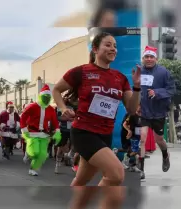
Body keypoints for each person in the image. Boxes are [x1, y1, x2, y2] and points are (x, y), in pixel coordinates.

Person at [52, 32, 140, 209]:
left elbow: (131, 109)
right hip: (84, 132)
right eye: (108, 45)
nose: (113, 49)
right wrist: (63, 108)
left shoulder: (120, 78)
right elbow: (56, 90)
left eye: (115, 46)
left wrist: (137, 86)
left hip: (104, 135)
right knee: (116, 175)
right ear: (95, 48)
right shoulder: (81, 72)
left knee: (81, 182)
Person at [138, 46, 175, 180]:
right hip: (143, 111)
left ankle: (165, 154)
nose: (149, 59)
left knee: (159, 139)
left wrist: (157, 92)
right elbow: (134, 88)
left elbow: (171, 89)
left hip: (158, 111)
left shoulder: (163, 72)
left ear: (156, 58)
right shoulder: (139, 71)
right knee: (142, 138)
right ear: (143, 58)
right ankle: (140, 169)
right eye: (146, 57)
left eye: (151, 57)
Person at [20, 84, 61, 176]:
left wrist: (57, 132)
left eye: (48, 97)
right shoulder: (33, 106)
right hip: (32, 133)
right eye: (45, 97)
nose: (46, 99)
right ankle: (28, 153)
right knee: (34, 152)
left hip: (44, 134)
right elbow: (23, 117)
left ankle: (33, 169)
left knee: (42, 155)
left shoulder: (51, 109)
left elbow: (55, 122)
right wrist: (24, 129)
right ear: (40, 96)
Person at [55, 91, 77, 174]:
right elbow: (58, 117)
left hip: (72, 129)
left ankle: (69, 155)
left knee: (74, 145)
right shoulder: (60, 107)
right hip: (63, 129)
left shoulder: (75, 106)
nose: (68, 99)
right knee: (61, 146)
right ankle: (57, 163)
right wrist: (66, 119)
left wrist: (74, 119)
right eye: (65, 97)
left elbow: (77, 116)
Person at [121, 105, 141, 172]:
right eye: (139, 106)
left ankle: (133, 165)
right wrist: (129, 131)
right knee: (135, 151)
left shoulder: (143, 116)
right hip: (133, 136)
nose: (140, 108)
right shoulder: (132, 115)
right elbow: (124, 124)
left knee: (135, 151)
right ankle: (126, 160)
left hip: (139, 136)